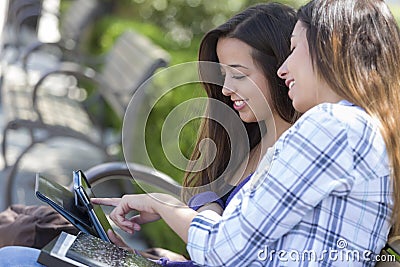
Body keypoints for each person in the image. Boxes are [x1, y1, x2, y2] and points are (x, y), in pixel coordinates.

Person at [91, 0, 399, 266]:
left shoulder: (333, 125)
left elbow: (224, 250)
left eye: (294, 50)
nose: (284, 68)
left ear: (327, 48)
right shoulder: (355, 128)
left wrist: (165, 204)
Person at [0, 2, 300, 266]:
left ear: (280, 69)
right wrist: (146, 258)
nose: (225, 89)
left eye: (239, 74)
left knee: (14, 255)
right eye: (222, 75)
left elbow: (228, 249)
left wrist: (164, 206)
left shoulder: (294, 158)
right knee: (31, 235)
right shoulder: (248, 143)